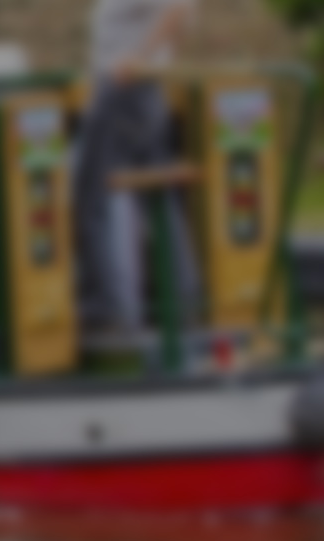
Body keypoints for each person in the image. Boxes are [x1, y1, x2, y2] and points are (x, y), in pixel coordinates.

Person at [72, 0, 206, 345]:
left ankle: (109, 314)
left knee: (94, 200)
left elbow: (180, 7)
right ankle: (185, 302)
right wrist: (160, 60)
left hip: (124, 88)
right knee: (159, 198)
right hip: (145, 90)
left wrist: (141, 58)